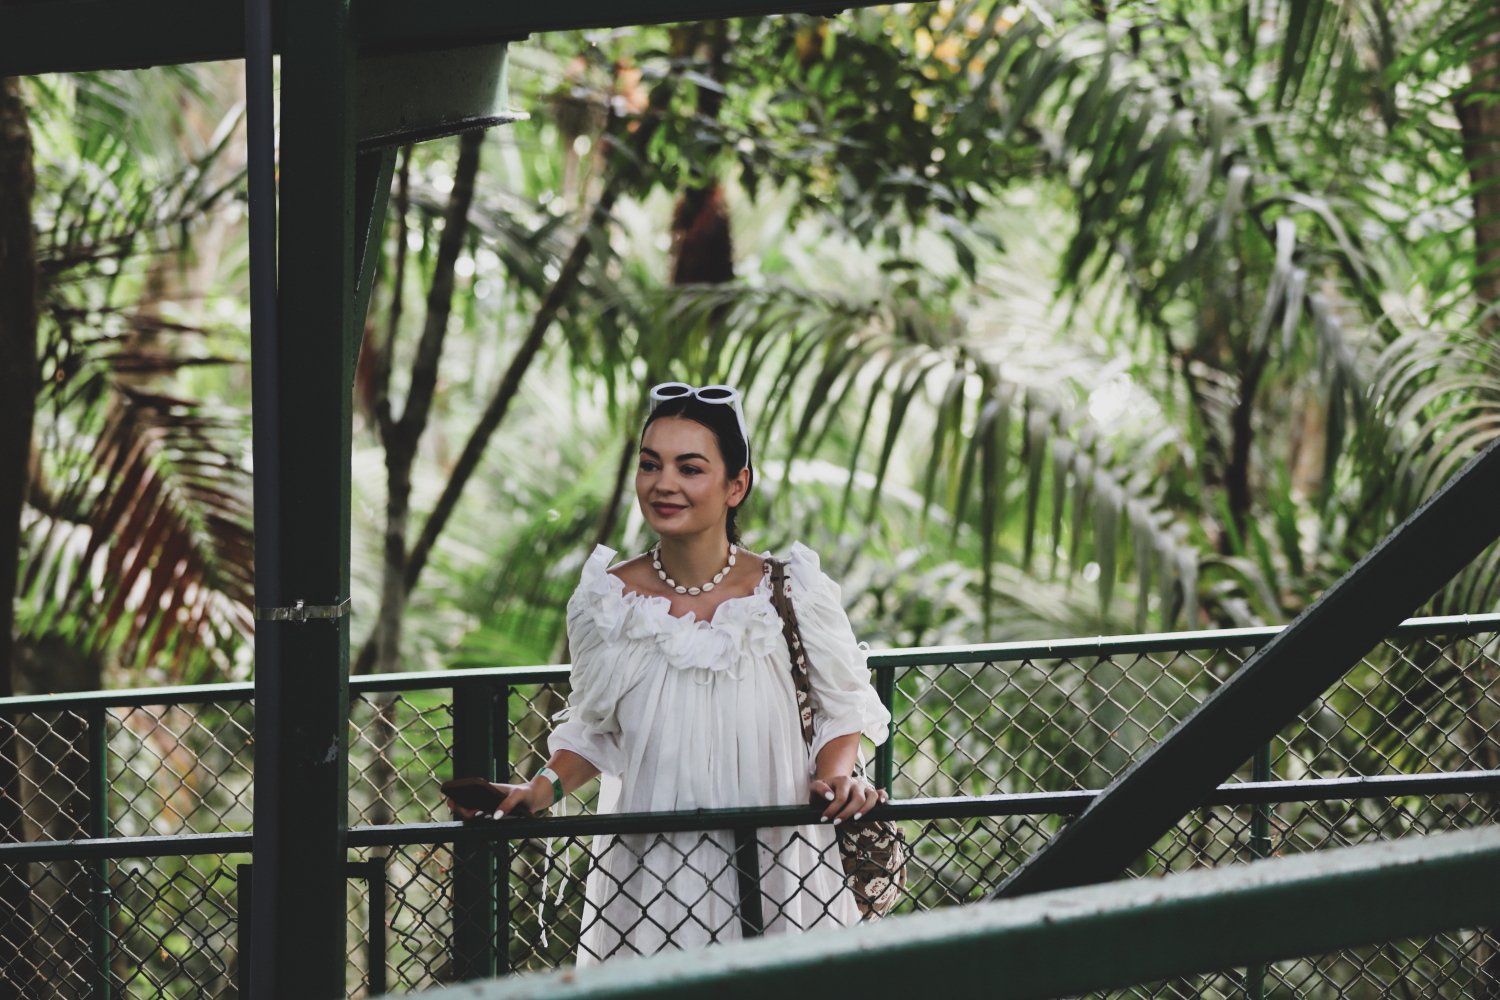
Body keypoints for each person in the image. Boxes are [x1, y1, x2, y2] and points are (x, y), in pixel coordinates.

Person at [447, 382, 891, 964]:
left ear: (736, 486)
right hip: (654, 864)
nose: (663, 483)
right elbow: (596, 728)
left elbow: (842, 705)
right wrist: (538, 790)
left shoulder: (792, 590)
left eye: (690, 468)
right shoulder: (608, 600)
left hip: (781, 850)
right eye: (651, 464)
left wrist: (835, 778)